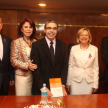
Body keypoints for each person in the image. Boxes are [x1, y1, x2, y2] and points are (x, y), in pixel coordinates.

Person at [30, 20, 68, 96]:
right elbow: (35, 69)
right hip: (40, 88)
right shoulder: (36, 45)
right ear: (45, 30)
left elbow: (65, 67)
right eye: (49, 28)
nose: (52, 30)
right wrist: (42, 88)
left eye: (54, 28)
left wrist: (63, 85)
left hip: (58, 88)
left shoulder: (63, 45)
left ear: (57, 30)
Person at [66, 27, 99, 95]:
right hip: (75, 81)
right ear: (78, 37)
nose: (84, 37)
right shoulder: (73, 48)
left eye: (86, 35)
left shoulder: (94, 49)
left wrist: (95, 84)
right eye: (81, 35)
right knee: (74, 103)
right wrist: (68, 82)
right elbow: (70, 66)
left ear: (89, 37)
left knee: (87, 103)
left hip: (89, 82)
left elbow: (95, 68)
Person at [10, 18, 37, 96]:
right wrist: (27, 65)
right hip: (22, 76)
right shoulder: (16, 42)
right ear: (21, 29)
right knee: (22, 100)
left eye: (30, 27)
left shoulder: (35, 42)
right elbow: (13, 60)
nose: (28, 29)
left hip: (34, 76)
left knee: (33, 99)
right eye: (26, 27)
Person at [0, 15, 14, 95]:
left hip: (4, 81)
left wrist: (11, 76)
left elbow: (10, 59)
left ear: (1, 25)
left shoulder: (7, 40)